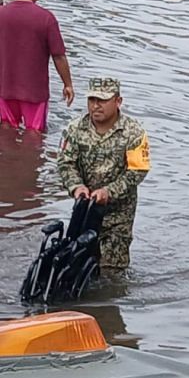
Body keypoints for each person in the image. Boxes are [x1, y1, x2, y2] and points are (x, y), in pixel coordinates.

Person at [57, 78, 150, 272]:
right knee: (77, 263)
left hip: (118, 215)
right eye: (91, 100)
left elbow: (138, 170)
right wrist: (76, 186)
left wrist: (109, 191)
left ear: (118, 101)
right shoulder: (74, 129)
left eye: (102, 100)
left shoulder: (134, 132)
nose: (95, 106)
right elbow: (66, 163)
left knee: (112, 270)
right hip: (85, 210)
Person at [0, 0, 75, 131]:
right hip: (34, 92)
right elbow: (59, 56)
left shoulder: (2, 14)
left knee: (6, 131)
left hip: (4, 88)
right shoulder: (46, 18)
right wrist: (67, 84)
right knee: (34, 135)